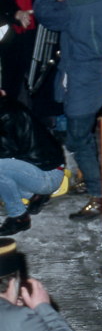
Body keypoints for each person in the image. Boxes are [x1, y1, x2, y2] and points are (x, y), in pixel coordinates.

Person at [32, 0, 102, 220]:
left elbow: (43, 13)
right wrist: (66, 2)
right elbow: (82, 16)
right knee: (84, 135)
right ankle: (91, 180)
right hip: (95, 73)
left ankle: (98, 196)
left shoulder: (73, 6)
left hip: (81, 80)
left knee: (77, 139)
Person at [0, 92, 67, 236]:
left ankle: (19, 218)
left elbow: (5, 152)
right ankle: (34, 195)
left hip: (47, 176)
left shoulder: (6, 115)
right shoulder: (7, 105)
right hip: (42, 169)